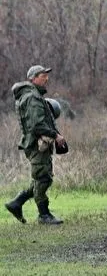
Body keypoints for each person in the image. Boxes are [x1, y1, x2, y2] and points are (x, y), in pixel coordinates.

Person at [5, 65, 66, 225]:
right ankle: (43, 215)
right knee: (43, 179)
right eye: (42, 75)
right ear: (33, 78)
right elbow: (37, 125)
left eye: (46, 75)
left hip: (37, 144)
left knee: (41, 177)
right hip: (36, 145)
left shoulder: (34, 95)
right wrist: (55, 135)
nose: (46, 78)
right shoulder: (32, 97)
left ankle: (16, 203)